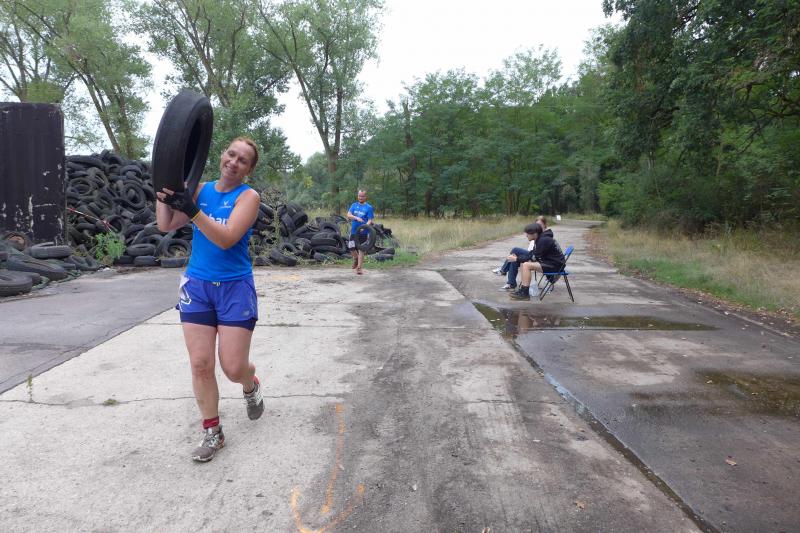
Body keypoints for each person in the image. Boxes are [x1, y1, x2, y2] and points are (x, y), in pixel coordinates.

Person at [155, 137, 264, 462]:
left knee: (232, 367)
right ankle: (213, 432)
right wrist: (163, 194)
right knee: (201, 364)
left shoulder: (248, 197)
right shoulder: (200, 189)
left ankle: (250, 382)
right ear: (221, 155)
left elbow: (227, 238)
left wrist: (193, 210)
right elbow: (165, 224)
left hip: (234, 288)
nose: (234, 162)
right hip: (197, 287)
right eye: (231, 154)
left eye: (243, 160)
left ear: (248, 169)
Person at [510, 222, 566, 301]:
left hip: (556, 266)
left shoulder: (543, 240)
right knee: (524, 263)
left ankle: (525, 294)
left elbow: (533, 258)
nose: (526, 235)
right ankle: (522, 290)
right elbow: (531, 254)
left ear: (535, 233)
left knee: (526, 265)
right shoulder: (540, 239)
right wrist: (518, 258)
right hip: (550, 262)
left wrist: (516, 259)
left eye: (528, 233)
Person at [494, 216, 548, 290]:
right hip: (533, 254)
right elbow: (533, 251)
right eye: (536, 224)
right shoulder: (539, 235)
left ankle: (504, 272)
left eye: (540, 225)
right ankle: (510, 283)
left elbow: (535, 255)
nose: (538, 226)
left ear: (544, 225)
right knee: (515, 256)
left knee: (515, 251)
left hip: (538, 259)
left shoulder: (543, 236)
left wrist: (517, 258)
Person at [345, 190, 375, 275]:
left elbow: (370, 220)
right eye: (359, 196)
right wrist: (356, 218)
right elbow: (348, 215)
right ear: (358, 196)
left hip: (363, 232)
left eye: (362, 196)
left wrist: (364, 227)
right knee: (351, 246)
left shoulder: (369, 207)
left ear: (365, 197)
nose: (361, 198)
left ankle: (359, 268)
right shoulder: (354, 205)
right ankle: (356, 258)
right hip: (354, 231)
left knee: (361, 249)